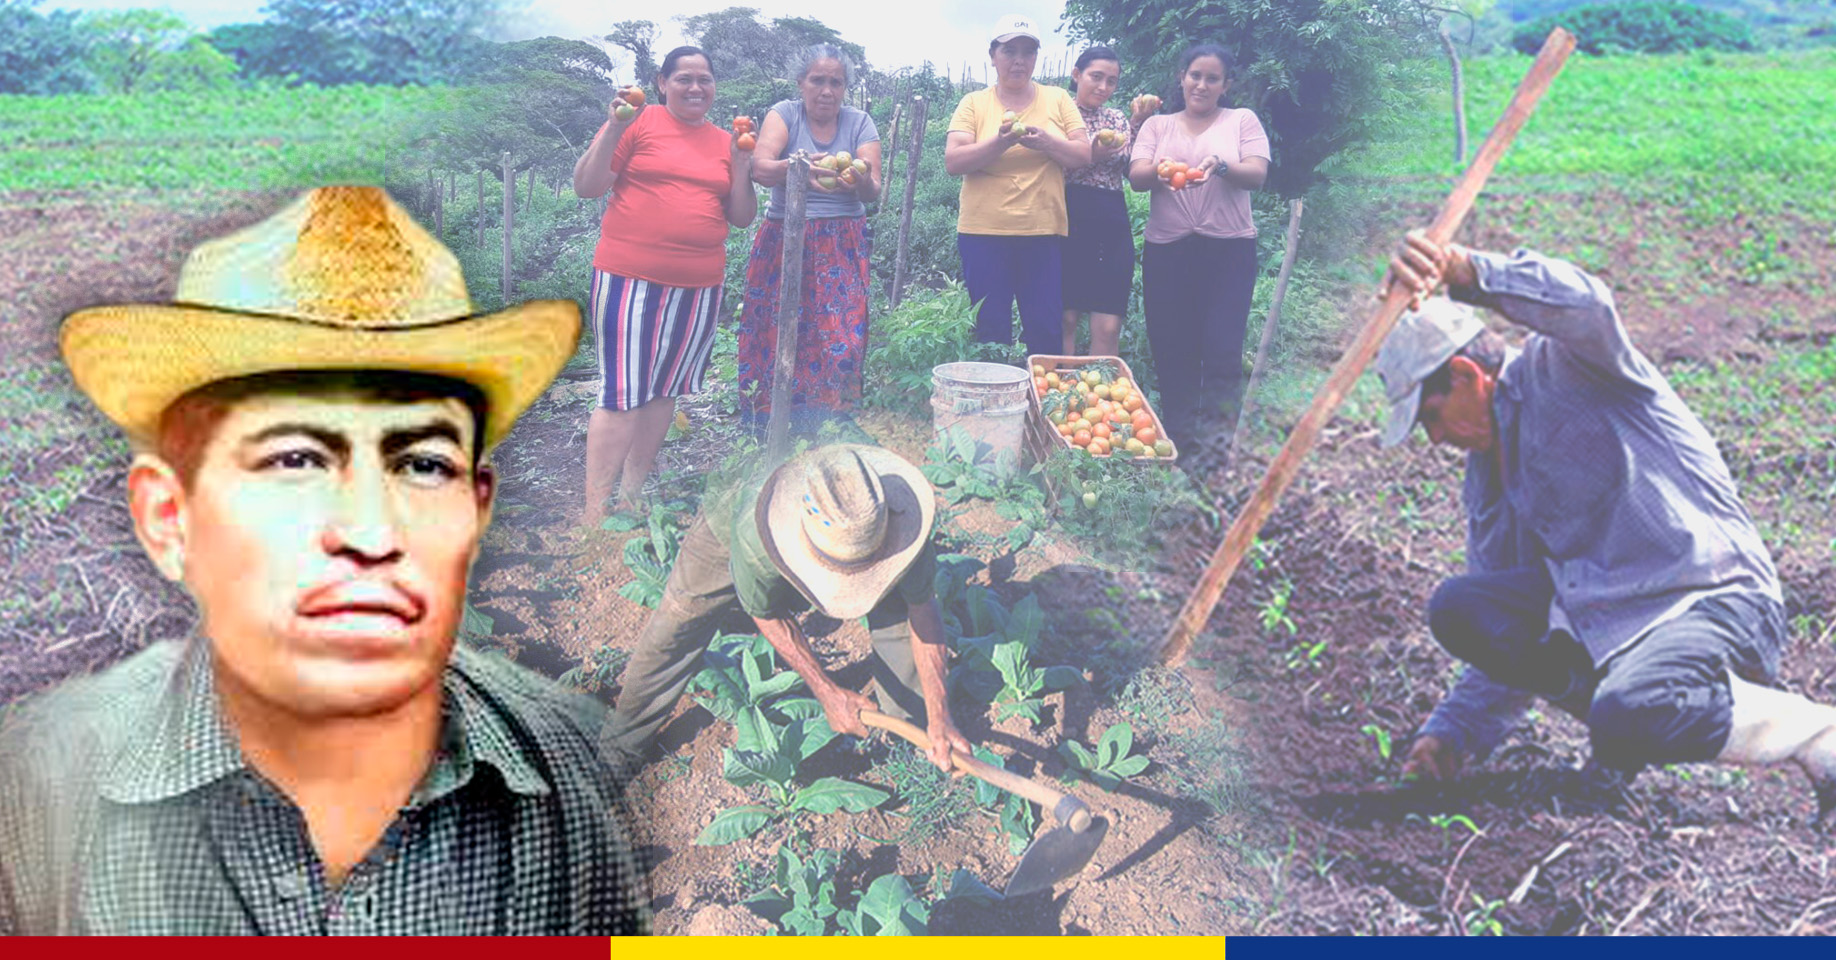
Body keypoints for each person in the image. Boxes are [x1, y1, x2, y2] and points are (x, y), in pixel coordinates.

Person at [0, 187, 651, 934]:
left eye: (423, 465)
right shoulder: (32, 800)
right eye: (295, 459)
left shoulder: (603, 788)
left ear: (476, 511)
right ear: (169, 518)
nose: (370, 531)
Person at [1376, 230, 1836, 827]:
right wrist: (1452, 735)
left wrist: (1466, 271)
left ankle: (1816, 732)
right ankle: (1627, 720)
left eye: (1432, 417)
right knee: (1463, 607)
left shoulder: (1571, 367)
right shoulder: (1488, 481)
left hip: (1710, 602)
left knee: (1631, 706)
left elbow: (1587, 303)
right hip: (1615, 634)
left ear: (1466, 375)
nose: (1436, 438)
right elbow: (1509, 634)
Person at [601, 445, 971, 775]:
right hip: (735, 501)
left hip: (859, 525)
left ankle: (919, 740)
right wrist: (827, 692)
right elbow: (767, 613)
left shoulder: (880, 510)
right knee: (679, 621)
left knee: (899, 607)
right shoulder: (755, 538)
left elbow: (923, 610)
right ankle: (620, 747)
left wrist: (940, 715)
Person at [573, 46, 757, 526]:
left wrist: (742, 166)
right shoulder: (637, 121)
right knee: (621, 394)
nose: (695, 88)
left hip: (698, 286)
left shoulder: (725, 141)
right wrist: (614, 125)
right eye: (684, 79)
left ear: (714, 86)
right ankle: (595, 513)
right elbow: (587, 186)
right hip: (628, 279)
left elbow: (741, 217)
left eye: (704, 79)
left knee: (662, 393)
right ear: (662, 82)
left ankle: (631, 499)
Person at [1127, 43, 1269, 464]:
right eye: (1195, 75)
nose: (1201, 85)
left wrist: (1220, 165)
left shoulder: (1241, 121)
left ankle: (1218, 453)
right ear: (1181, 77)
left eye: (1212, 78)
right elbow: (1136, 176)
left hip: (1229, 252)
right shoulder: (1157, 126)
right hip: (1168, 253)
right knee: (1174, 351)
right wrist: (1161, 171)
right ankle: (1182, 450)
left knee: (1223, 351)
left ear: (1227, 85)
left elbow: (1256, 174)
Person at [736, 45, 882, 430]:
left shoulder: (859, 122)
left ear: (845, 87)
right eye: (818, 80)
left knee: (842, 335)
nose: (827, 90)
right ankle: (769, 422)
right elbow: (760, 167)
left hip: (842, 240)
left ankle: (831, 423)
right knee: (777, 329)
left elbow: (873, 189)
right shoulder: (785, 114)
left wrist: (860, 178)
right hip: (786, 235)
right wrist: (798, 167)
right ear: (801, 82)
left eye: (836, 82)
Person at [945, 14, 1091, 359]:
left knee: (1045, 327)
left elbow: (1082, 154)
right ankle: (996, 390)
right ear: (993, 56)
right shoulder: (974, 103)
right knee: (990, 329)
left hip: (1042, 231)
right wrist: (1000, 142)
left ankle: (1039, 391)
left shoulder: (1057, 99)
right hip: (983, 232)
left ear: (1036, 57)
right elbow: (954, 161)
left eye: (1028, 52)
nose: (1019, 60)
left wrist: (1047, 143)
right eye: (1009, 51)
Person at [1060, 46, 1154, 358]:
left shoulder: (1116, 118)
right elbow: (1048, 166)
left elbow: (1130, 169)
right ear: (1077, 75)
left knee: (1109, 324)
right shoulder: (1058, 114)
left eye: (1111, 81)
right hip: (1066, 219)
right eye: (1096, 77)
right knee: (1065, 318)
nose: (1103, 87)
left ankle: (1101, 388)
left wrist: (1138, 123)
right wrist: (1090, 154)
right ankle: (1058, 386)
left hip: (1111, 222)